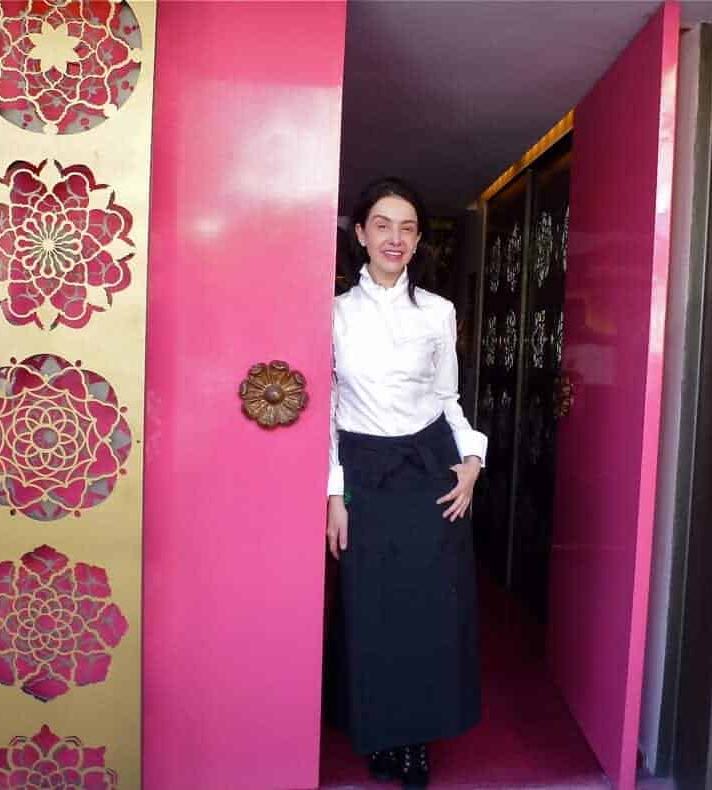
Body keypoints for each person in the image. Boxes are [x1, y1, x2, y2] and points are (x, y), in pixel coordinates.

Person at [326, 177, 486, 788]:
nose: (395, 238)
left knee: (429, 615)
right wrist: (334, 493)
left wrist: (472, 462)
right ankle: (381, 733)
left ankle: (416, 741)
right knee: (371, 611)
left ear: (419, 242)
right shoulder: (332, 313)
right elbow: (332, 411)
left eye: (408, 228)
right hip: (365, 474)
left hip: (431, 476)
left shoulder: (439, 313)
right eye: (383, 225)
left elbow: (448, 401)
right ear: (360, 234)